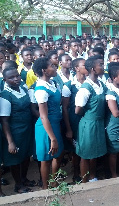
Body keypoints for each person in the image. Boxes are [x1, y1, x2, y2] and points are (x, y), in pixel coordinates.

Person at [0, 67, 33, 193]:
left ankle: (24, 179)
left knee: (25, 155)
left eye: (17, 76)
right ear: (5, 80)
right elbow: (5, 121)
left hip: (26, 129)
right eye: (11, 78)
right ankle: (18, 185)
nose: (16, 79)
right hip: (15, 131)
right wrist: (10, 142)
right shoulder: (5, 96)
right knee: (15, 158)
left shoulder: (23, 89)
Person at [74, 56, 107, 183]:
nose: (103, 67)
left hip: (98, 123)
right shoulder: (85, 88)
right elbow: (78, 110)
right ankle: (84, 180)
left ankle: (93, 176)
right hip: (89, 124)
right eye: (101, 65)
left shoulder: (100, 84)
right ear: (93, 69)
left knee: (95, 153)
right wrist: (90, 114)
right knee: (86, 154)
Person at [33, 57, 64, 189]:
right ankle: (46, 187)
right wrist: (52, 138)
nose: (55, 66)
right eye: (52, 65)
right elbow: (43, 116)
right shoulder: (41, 89)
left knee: (57, 155)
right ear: (44, 70)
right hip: (46, 128)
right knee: (46, 158)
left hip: (55, 124)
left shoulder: (51, 83)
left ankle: (54, 181)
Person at [62, 58, 88, 182]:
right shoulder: (69, 86)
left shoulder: (90, 83)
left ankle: (86, 171)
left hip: (87, 119)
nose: (87, 66)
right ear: (77, 68)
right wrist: (68, 128)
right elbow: (65, 108)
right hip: (74, 120)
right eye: (84, 65)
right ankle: (76, 173)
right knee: (75, 149)